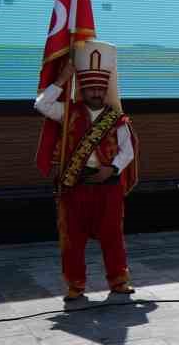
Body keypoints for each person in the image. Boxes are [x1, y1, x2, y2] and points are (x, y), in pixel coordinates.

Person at [35, 41, 139, 301]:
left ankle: (118, 280)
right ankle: (75, 285)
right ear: (82, 88)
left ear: (105, 90)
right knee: (72, 239)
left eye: (99, 88)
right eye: (90, 87)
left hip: (107, 185)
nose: (95, 92)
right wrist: (62, 79)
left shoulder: (116, 119)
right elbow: (41, 104)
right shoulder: (67, 111)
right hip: (75, 185)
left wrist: (112, 169)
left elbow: (128, 151)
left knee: (112, 236)